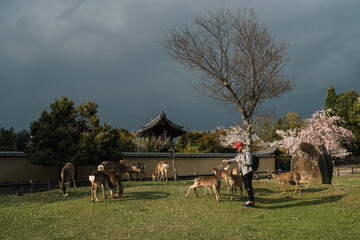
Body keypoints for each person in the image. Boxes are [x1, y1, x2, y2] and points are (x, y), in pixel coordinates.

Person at [222, 141, 255, 207]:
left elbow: (250, 162)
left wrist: (241, 161)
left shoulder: (247, 153)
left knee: (248, 188)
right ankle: (250, 201)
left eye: (237, 147)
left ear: (240, 147)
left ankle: (251, 202)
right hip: (243, 173)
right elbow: (235, 159)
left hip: (248, 172)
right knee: (246, 187)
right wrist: (227, 161)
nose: (237, 149)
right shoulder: (240, 154)